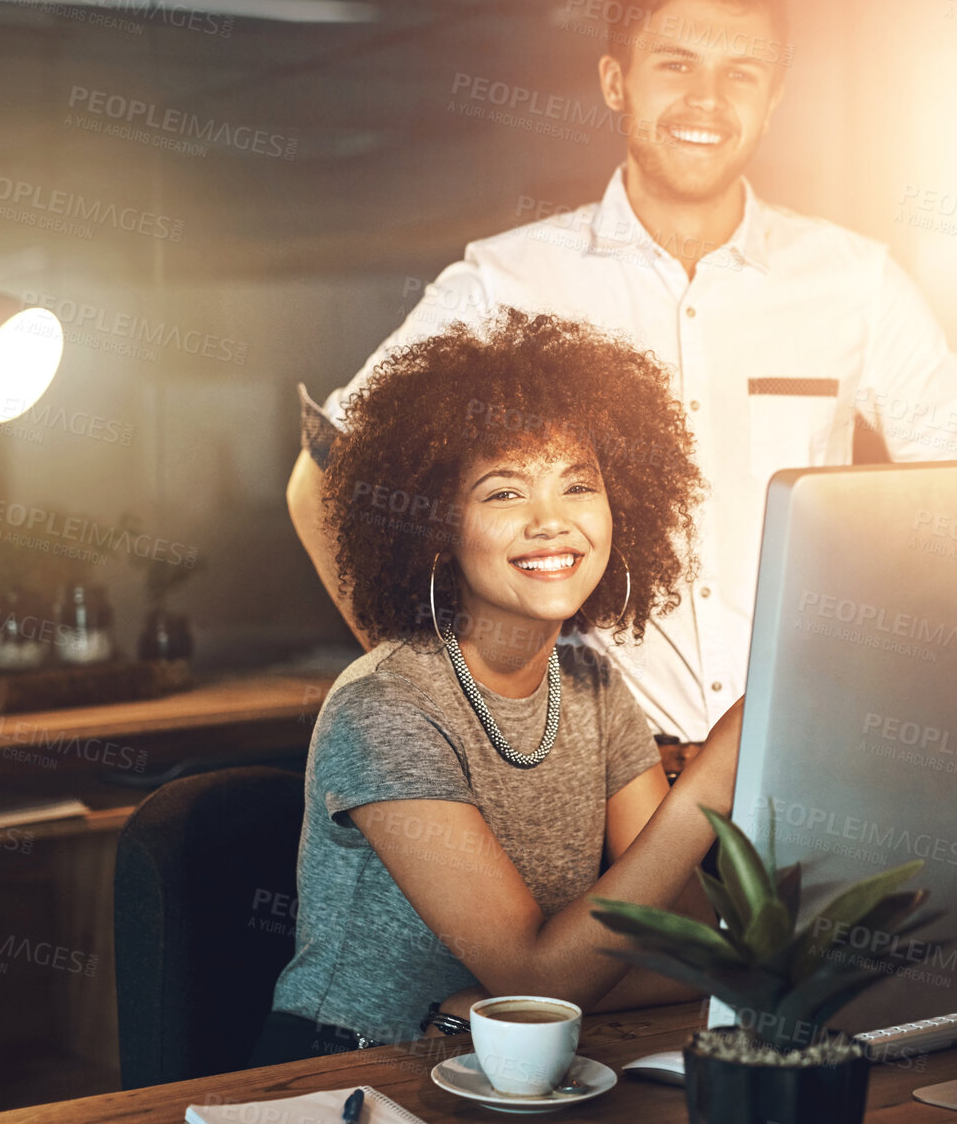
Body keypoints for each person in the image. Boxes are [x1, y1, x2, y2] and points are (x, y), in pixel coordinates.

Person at [288, 0, 957, 759]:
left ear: (773, 98)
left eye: (741, 72)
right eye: (674, 65)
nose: (706, 100)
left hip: (801, 755)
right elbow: (326, 472)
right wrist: (447, 700)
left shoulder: (855, 281)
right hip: (588, 772)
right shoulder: (508, 278)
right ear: (614, 80)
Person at [251, 310, 741, 1065]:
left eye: (578, 485)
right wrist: (711, 784)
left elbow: (692, 945)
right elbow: (535, 976)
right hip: (354, 1070)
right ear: (436, 526)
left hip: (502, 1056)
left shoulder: (588, 681)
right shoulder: (385, 708)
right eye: (504, 494)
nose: (552, 522)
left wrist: (502, 1007)